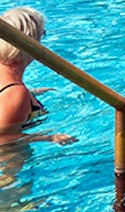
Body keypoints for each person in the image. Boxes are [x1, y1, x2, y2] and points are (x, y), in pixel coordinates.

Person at [0, 9, 74, 146]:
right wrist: (50, 138)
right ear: (31, 42)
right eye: (42, 35)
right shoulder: (15, 92)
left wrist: (32, 93)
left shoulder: (6, 79)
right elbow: (4, 141)